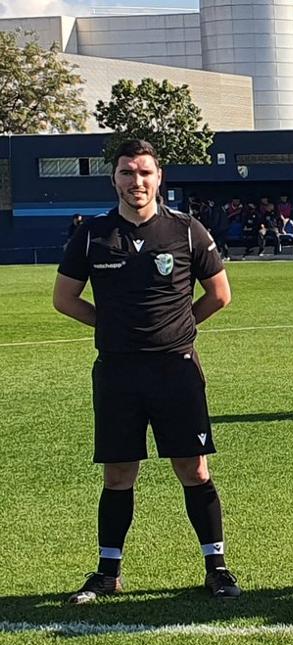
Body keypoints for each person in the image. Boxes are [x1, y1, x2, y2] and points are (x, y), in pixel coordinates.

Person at [52, 138, 239, 603]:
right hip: (117, 372)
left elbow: (219, 295)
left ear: (159, 179)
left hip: (176, 370)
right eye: (127, 173)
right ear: (113, 178)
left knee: (193, 469)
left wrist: (178, 327)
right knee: (118, 474)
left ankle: (217, 568)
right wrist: (111, 326)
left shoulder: (187, 230)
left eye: (144, 173)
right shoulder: (93, 234)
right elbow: (64, 299)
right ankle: (107, 572)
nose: (136, 181)